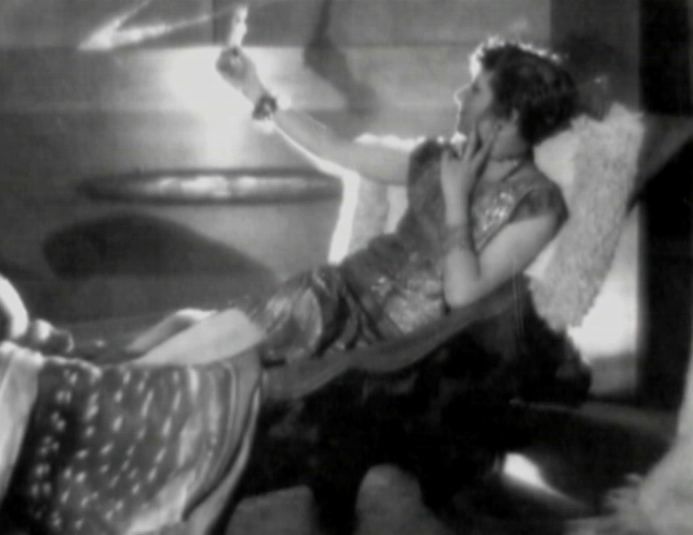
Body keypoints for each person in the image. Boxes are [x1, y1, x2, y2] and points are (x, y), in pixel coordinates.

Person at [0, 38, 583, 535]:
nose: (460, 97)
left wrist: (457, 201)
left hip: (394, 351)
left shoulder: (538, 205)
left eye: (475, 90)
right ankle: (69, 390)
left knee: (234, 340)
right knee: (198, 335)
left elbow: (463, 296)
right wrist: (256, 92)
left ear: (508, 116)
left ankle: (63, 396)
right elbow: (337, 150)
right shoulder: (440, 158)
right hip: (333, 295)